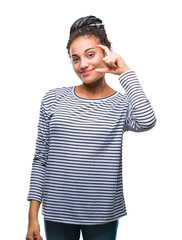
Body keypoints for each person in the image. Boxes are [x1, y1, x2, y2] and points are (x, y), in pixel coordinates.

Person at [26, 15, 156, 240]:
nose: (83, 64)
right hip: (57, 211)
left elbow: (147, 120)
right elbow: (41, 158)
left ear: (106, 55)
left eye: (90, 55)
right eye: (75, 59)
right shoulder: (53, 99)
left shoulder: (121, 104)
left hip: (102, 213)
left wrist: (125, 72)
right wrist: (31, 218)